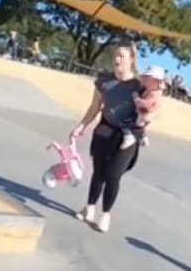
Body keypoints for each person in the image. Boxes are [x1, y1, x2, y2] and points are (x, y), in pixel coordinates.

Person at [69, 43, 146, 233]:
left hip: (128, 136)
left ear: (131, 60)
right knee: (99, 173)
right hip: (105, 130)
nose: (117, 59)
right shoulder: (104, 81)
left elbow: (150, 109)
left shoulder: (139, 85)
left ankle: (105, 215)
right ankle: (89, 208)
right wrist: (81, 126)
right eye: (115, 55)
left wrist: (143, 132)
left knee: (113, 176)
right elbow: (94, 107)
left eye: (122, 56)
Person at [124, 64, 165, 149]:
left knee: (128, 123)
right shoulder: (148, 89)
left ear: (156, 81)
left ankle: (129, 135)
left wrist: (136, 97)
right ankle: (143, 136)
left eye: (148, 78)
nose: (145, 79)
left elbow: (144, 105)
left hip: (143, 114)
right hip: (142, 114)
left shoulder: (155, 94)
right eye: (145, 77)